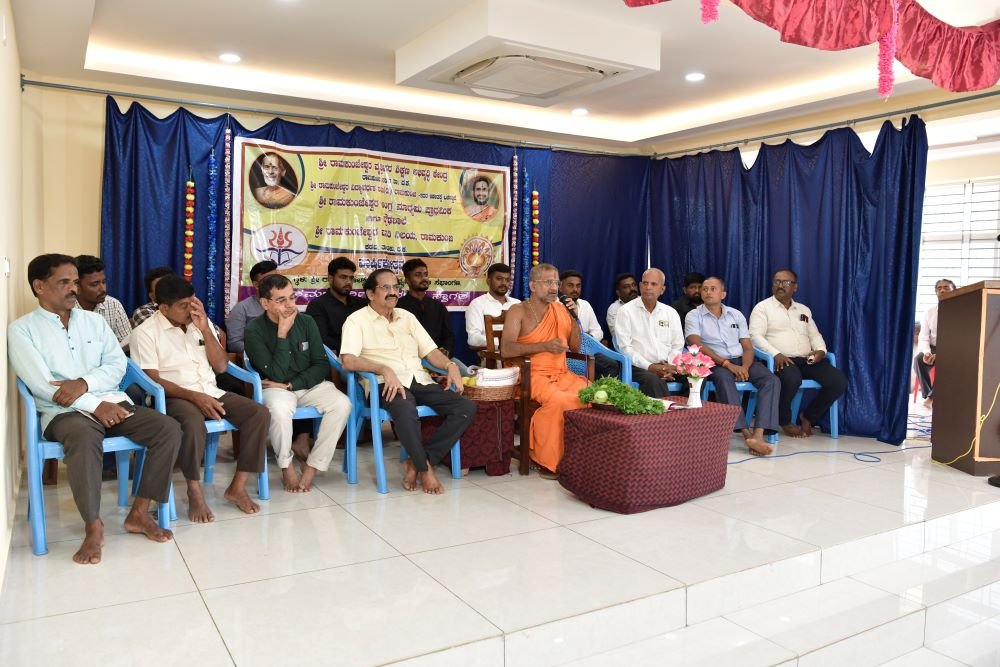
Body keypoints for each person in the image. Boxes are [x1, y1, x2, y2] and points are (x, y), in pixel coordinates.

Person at [8, 254, 180, 564]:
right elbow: (41, 384)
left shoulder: (94, 322)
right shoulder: (22, 330)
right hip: (62, 413)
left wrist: (84, 383)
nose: (73, 288)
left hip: (111, 402)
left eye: (75, 282)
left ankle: (140, 513)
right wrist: (93, 404)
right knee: (85, 438)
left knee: (167, 428)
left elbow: (116, 365)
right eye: (64, 282)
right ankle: (93, 525)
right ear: (39, 286)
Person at [132, 275, 270, 522]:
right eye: (183, 306)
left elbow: (221, 366)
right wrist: (194, 397)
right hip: (172, 396)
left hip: (210, 391)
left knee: (258, 413)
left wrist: (206, 329)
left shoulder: (199, 323)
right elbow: (152, 379)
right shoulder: (145, 332)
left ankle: (237, 487)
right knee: (192, 421)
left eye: (193, 302)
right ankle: (194, 491)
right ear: (164, 308)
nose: (191, 310)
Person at [341, 269, 476, 494]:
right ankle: (425, 469)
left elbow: (430, 352)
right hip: (384, 383)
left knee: (465, 407)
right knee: (405, 408)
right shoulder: (356, 320)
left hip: (419, 379)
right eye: (386, 288)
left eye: (396, 287)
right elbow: (348, 360)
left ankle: (419, 461)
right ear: (370, 294)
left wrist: (450, 366)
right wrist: (382, 368)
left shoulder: (407, 317)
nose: (393, 292)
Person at [246, 274, 352, 493]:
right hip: (275, 389)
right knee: (279, 409)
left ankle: (313, 466)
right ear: (265, 303)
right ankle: (286, 467)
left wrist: (291, 385)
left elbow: (321, 365)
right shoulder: (254, 330)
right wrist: (282, 334)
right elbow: (276, 374)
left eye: (292, 298)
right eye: (281, 300)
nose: (289, 305)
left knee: (342, 404)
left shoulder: (306, 322)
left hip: (304, 386)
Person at [501, 263, 588, 478]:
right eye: (548, 282)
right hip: (531, 375)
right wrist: (544, 346)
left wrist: (574, 318)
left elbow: (576, 347)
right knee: (560, 401)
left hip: (561, 373)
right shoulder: (518, 311)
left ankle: (581, 458)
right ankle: (548, 460)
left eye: (556, 283)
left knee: (590, 394)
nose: (554, 288)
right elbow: (506, 349)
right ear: (532, 285)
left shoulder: (561, 310)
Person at [685, 276, 778, 456]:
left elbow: (748, 347)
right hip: (714, 362)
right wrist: (726, 363)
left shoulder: (736, 314)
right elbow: (696, 344)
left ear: (723, 294)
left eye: (713, 289)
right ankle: (746, 434)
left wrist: (744, 367)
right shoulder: (694, 315)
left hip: (742, 360)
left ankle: (758, 435)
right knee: (723, 378)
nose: (708, 292)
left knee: (771, 380)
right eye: (705, 289)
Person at [749, 269, 847, 437]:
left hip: (807, 359)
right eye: (777, 282)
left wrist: (820, 351)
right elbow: (755, 337)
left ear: (795, 287)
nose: (780, 286)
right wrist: (775, 354)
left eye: (785, 282)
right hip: (781, 360)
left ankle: (808, 417)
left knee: (838, 381)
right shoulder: (763, 308)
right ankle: (784, 420)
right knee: (792, 378)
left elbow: (814, 335)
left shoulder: (803, 310)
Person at [614, 268, 684, 398]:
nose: (648, 287)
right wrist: (650, 366)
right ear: (640, 286)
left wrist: (669, 366)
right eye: (645, 283)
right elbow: (625, 348)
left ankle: (686, 409)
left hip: (667, 364)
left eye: (653, 284)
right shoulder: (626, 311)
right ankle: (667, 411)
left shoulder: (670, 313)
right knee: (653, 380)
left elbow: (677, 345)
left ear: (662, 289)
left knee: (696, 376)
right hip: (638, 367)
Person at [397, 258, 469, 374]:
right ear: (408, 280)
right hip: (410, 362)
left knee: (466, 374)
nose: (424, 278)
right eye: (418, 275)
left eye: (425, 274)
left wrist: (445, 350)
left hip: (439, 360)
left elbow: (449, 336)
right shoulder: (398, 307)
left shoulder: (438, 306)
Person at [305, 256, 367, 354]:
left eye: (351, 278)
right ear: (330, 278)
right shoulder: (317, 306)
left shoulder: (361, 304)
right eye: (343, 277)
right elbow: (321, 340)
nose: (348, 282)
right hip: (334, 359)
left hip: (364, 354)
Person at [914, 278, 956, 409]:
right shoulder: (929, 312)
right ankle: (929, 395)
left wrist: (942, 353)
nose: (942, 290)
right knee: (918, 360)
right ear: (936, 292)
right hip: (932, 348)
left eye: (946, 287)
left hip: (952, 349)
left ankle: (932, 398)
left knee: (947, 360)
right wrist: (927, 353)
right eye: (939, 288)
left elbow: (957, 338)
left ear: (954, 291)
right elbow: (923, 337)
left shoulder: (960, 310)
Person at [73, 255, 132, 348]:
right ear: (77, 287)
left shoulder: (113, 305)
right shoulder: (65, 309)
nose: (103, 289)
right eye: (94, 284)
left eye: (104, 282)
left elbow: (127, 343)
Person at [226, 260, 278, 353]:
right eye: (269, 280)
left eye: (277, 279)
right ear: (256, 285)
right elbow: (234, 344)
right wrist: (263, 352)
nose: (275, 284)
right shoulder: (241, 309)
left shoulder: (287, 305)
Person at [465, 262, 520, 348]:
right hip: (493, 354)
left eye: (507, 280)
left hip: (519, 352)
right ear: (488, 281)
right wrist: (501, 344)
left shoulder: (517, 304)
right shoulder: (477, 304)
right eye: (499, 279)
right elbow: (473, 338)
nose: (504, 283)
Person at [606, 272, 638, 338]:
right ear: (618, 292)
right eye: (626, 287)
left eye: (634, 285)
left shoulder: (646, 302)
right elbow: (619, 335)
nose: (632, 289)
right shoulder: (614, 309)